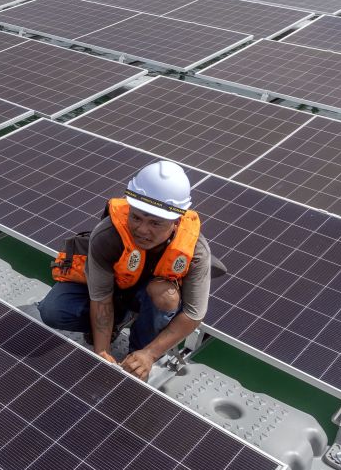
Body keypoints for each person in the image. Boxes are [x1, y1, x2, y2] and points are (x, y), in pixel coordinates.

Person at [36, 160, 212, 381]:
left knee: (165, 296)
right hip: (114, 291)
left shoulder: (196, 251)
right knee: (52, 310)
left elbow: (194, 314)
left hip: (150, 300)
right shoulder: (107, 234)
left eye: (155, 223)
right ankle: (116, 324)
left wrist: (149, 354)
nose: (142, 230)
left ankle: (139, 354)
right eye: (136, 217)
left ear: (176, 221)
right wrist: (102, 352)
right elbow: (100, 297)